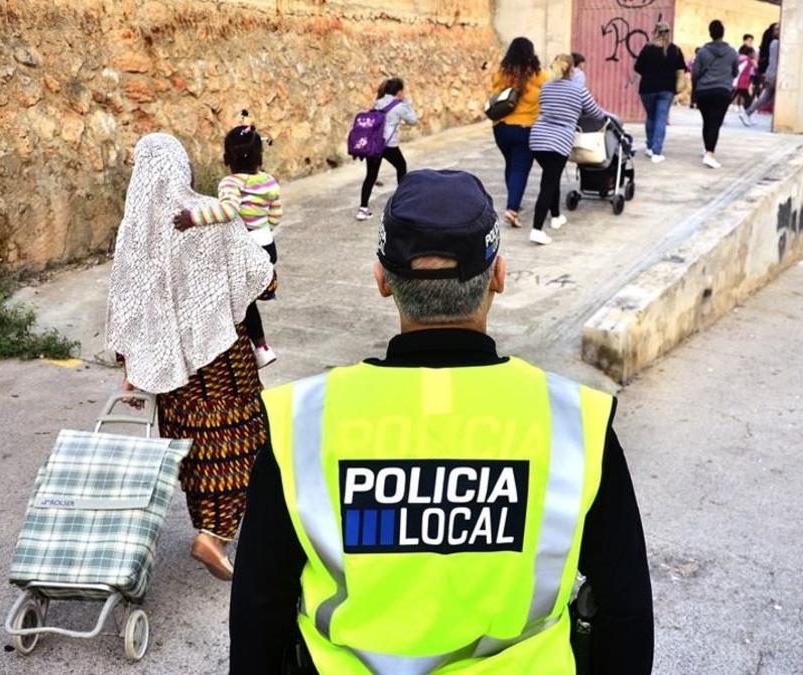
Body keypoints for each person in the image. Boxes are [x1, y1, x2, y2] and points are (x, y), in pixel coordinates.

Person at [229, 169, 654, 674]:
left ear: (382, 280)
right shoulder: (574, 423)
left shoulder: (303, 423)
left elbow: (259, 610)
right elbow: (626, 611)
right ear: (498, 274)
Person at [106, 133, 274, 581]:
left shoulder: (133, 232)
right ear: (182, 168)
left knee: (194, 447)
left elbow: (127, 301)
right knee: (243, 439)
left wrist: (132, 363)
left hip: (173, 369)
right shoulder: (208, 215)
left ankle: (209, 529)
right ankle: (214, 535)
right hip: (222, 360)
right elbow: (259, 274)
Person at [174, 111, 283, 368]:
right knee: (247, 297)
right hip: (267, 245)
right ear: (260, 156)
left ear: (226, 158)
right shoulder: (269, 182)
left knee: (240, 299)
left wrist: (194, 218)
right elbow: (276, 214)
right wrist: (262, 229)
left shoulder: (230, 183)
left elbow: (228, 211)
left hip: (244, 247)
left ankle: (257, 346)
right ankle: (261, 342)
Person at [528, 55, 607, 246]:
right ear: (572, 70)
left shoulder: (546, 87)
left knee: (551, 177)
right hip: (558, 142)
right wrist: (605, 118)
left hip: (537, 139)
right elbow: (596, 112)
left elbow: (546, 108)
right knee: (548, 184)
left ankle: (555, 216)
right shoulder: (579, 90)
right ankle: (537, 229)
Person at [490, 37, 546, 229]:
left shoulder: (502, 73)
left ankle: (514, 199)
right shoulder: (537, 75)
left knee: (511, 165)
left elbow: (493, 94)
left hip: (501, 128)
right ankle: (512, 208)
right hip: (525, 129)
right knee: (520, 169)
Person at [356, 77, 419, 221]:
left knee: (371, 175)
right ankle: (402, 204)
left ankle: (363, 209)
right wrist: (407, 104)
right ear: (399, 92)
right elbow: (413, 121)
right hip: (388, 145)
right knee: (401, 166)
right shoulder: (399, 105)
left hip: (373, 143)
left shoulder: (378, 102)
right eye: (403, 91)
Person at [632, 20, 685, 163]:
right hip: (667, 89)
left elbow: (638, 68)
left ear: (656, 32)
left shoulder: (647, 48)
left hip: (647, 89)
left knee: (651, 117)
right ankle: (656, 152)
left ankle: (649, 147)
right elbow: (680, 69)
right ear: (668, 32)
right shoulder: (675, 50)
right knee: (661, 119)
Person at [691, 19, 738, 169]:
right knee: (715, 123)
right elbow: (735, 72)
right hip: (722, 91)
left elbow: (695, 72)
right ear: (723, 33)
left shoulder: (703, 52)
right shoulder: (731, 52)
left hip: (703, 91)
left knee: (707, 121)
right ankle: (710, 153)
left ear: (710, 33)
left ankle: (707, 148)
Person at [742, 23, 780, 125]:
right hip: (774, 74)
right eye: (776, 29)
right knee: (767, 98)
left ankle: (747, 112)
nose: (778, 31)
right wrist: (773, 76)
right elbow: (774, 61)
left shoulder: (774, 43)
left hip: (772, 74)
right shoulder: (776, 43)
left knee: (765, 98)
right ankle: (747, 112)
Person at [733, 44, 757, 112]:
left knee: (732, 97)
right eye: (753, 53)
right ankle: (746, 113)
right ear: (749, 53)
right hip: (742, 82)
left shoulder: (739, 58)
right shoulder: (748, 60)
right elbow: (756, 68)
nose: (754, 54)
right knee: (748, 99)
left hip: (737, 82)